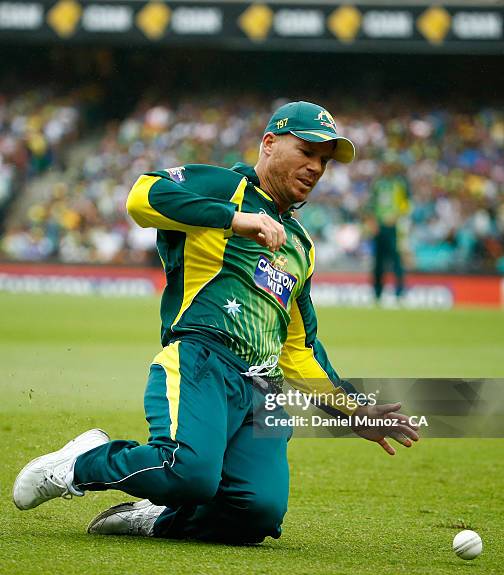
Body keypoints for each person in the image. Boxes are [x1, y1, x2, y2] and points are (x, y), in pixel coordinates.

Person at [13, 101, 419, 544]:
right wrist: (236, 220)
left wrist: (352, 410)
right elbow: (142, 197)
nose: (316, 167)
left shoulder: (301, 244)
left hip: (262, 391)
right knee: (188, 473)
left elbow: (299, 350)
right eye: (307, 151)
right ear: (269, 143)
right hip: (203, 360)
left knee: (258, 513)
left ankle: (153, 518)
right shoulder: (225, 187)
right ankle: (82, 463)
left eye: (324, 160)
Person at [365, 158, 411, 303]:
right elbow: (371, 205)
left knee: (396, 260)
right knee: (378, 261)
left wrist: (396, 217)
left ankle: (399, 293)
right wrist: (372, 222)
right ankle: (377, 294)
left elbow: (405, 205)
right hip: (379, 227)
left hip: (393, 227)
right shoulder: (378, 185)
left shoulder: (399, 185)